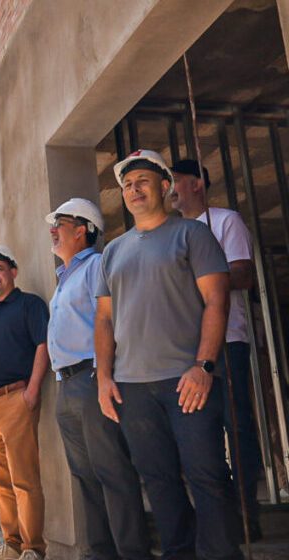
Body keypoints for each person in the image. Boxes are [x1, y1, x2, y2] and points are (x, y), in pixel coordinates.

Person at [95, 149, 243, 559]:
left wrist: (203, 366)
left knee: (207, 477)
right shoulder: (113, 251)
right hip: (132, 388)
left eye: (142, 180)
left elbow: (217, 301)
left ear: (165, 186)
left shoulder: (193, 234)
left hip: (187, 379)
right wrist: (105, 378)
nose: (133, 189)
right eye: (126, 184)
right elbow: (104, 320)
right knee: (158, 481)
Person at [46, 199, 152, 560]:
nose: (53, 230)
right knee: (85, 476)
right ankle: (101, 553)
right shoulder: (64, 277)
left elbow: (110, 322)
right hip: (65, 384)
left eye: (59, 223)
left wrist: (103, 376)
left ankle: (133, 552)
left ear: (82, 229)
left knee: (112, 472)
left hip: (92, 378)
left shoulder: (96, 266)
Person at [170, 158, 261, 540]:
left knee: (236, 428)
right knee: (195, 436)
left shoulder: (225, 221)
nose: (168, 189)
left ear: (196, 183)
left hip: (227, 342)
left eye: (173, 181)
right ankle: (215, 519)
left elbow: (243, 273)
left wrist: (203, 279)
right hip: (182, 350)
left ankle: (246, 515)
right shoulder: (171, 232)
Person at [0, 244, 49, 560]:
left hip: (15, 399)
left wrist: (32, 390)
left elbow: (43, 345)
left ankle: (33, 547)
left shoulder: (29, 305)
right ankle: (12, 543)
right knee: (0, 480)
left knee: (23, 478)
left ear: (13, 272)